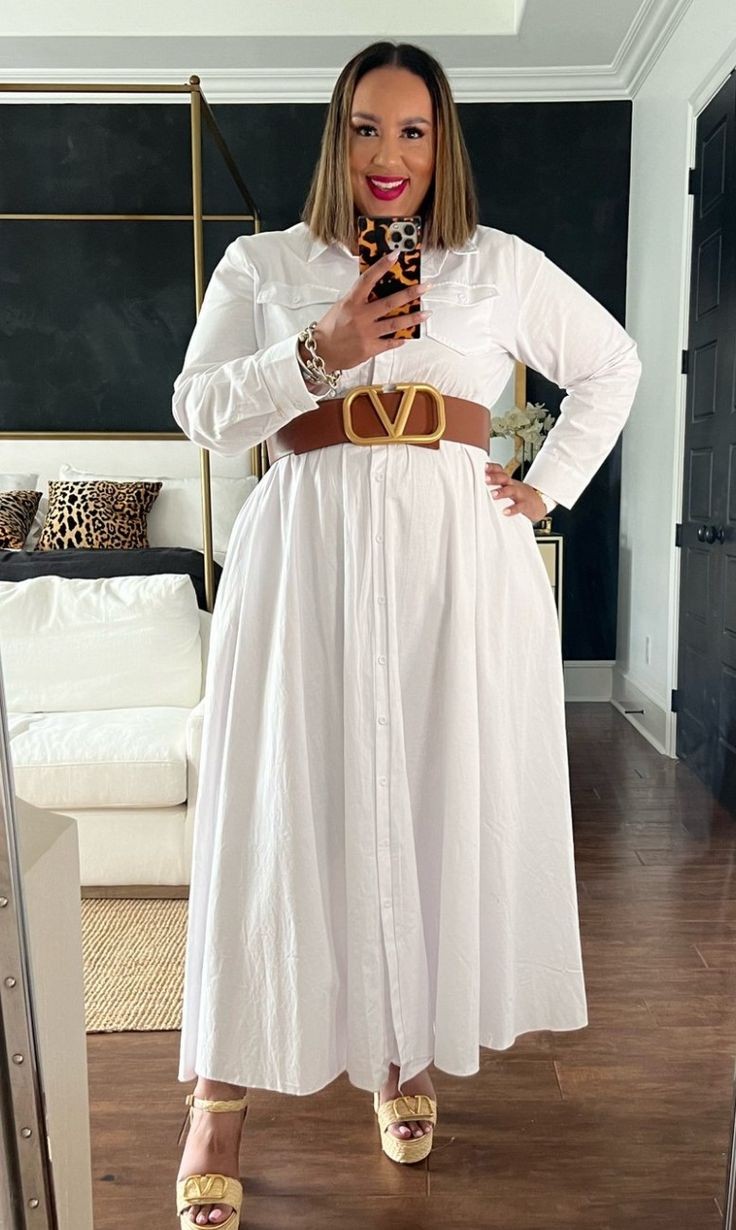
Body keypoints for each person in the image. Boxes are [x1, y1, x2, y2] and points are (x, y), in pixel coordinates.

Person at [172, 39, 642, 1228]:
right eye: (368, 129)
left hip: (456, 569)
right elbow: (199, 410)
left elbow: (611, 365)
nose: (390, 155)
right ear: (337, 138)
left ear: (443, 145)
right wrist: (320, 350)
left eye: (414, 130)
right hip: (307, 558)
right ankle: (216, 1101)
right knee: (280, 803)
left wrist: (546, 487)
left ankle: (402, 1054)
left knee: (432, 798)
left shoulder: (497, 265)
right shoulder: (264, 263)